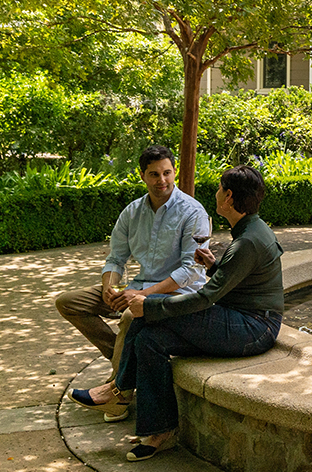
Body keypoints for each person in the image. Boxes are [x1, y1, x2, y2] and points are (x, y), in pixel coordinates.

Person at [75, 165, 284, 461]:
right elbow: (238, 281)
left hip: (253, 330)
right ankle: (161, 431)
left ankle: (118, 389)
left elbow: (205, 298)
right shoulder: (250, 230)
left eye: (219, 188)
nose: (216, 192)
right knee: (150, 340)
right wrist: (213, 266)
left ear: (229, 196)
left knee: (147, 315)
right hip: (241, 319)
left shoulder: (248, 240)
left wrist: (149, 304)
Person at [56, 145, 208, 422]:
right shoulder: (132, 212)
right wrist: (109, 288)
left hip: (177, 292)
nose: (162, 180)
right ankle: (128, 364)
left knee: (130, 314)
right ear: (142, 176)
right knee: (69, 302)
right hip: (138, 287)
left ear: (174, 172)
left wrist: (142, 294)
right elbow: (116, 258)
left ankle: (118, 394)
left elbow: (190, 271)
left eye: (167, 173)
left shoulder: (192, 212)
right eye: (154, 174)